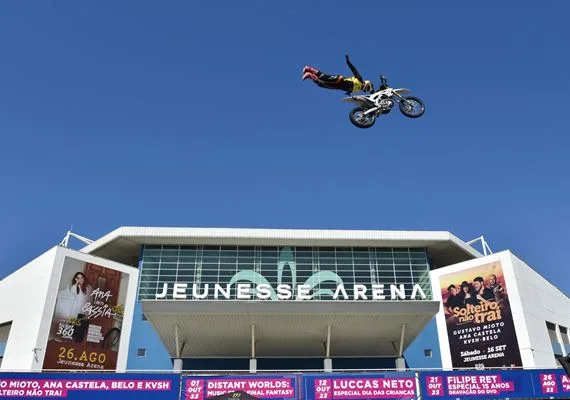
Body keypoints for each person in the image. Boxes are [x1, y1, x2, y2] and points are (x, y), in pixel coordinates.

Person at [302, 54, 373, 94]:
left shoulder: (357, 90)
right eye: (368, 88)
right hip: (340, 80)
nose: (366, 90)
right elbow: (354, 70)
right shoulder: (360, 79)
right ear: (367, 83)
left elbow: (349, 89)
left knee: (321, 84)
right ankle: (309, 69)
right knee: (323, 77)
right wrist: (348, 62)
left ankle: (309, 75)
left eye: (367, 90)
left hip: (338, 86)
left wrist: (348, 93)